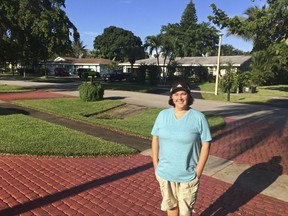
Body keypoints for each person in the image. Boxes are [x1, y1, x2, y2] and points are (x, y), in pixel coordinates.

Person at [151, 80, 212, 216]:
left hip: (188, 176)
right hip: (165, 174)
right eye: (176, 94)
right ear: (171, 97)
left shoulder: (199, 118)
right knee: (171, 208)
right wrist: (156, 164)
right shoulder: (162, 115)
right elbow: (155, 138)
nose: (179, 97)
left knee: (185, 212)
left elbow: (206, 144)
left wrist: (198, 173)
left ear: (189, 96)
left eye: (183, 94)